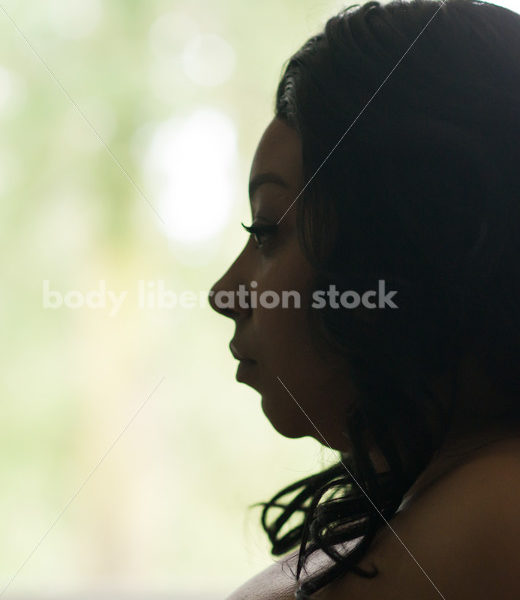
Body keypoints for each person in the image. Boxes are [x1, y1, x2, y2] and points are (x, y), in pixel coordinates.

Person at [208, 0, 520, 598]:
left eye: (268, 231)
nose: (225, 293)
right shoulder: (454, 493)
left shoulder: (496, 520)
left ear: (410, 246)